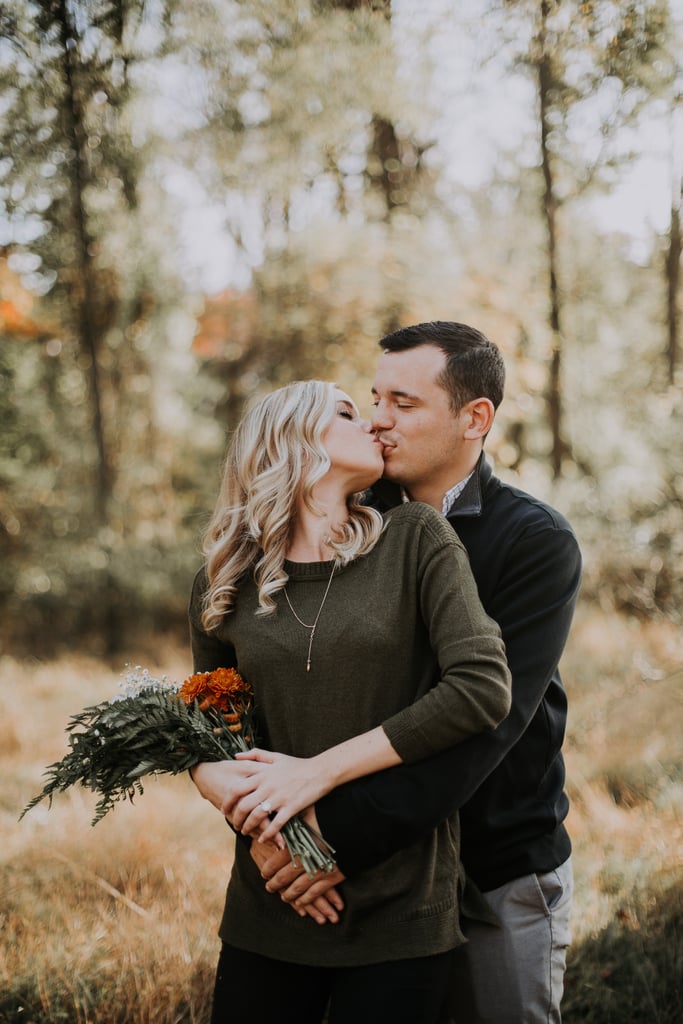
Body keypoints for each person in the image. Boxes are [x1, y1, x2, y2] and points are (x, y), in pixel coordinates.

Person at [247, 323, 582, 1024]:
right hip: (376, 879)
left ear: (474, 418)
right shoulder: (348, 522)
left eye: (402, 402)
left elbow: (487, 725)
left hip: (495, 863)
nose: (376, 419)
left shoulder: (533, 542)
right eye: (373, 398)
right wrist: (289, 834)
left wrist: (331, 840)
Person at [189, 379, 512, 1024]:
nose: (371, 422)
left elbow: (481, 686)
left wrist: (315, 774)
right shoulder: (222, 579)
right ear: (291, 441)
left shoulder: (414, 539)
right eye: (345, 412)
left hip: (401, 905)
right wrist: (244, 813)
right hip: (271, 898)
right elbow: (207, 731)